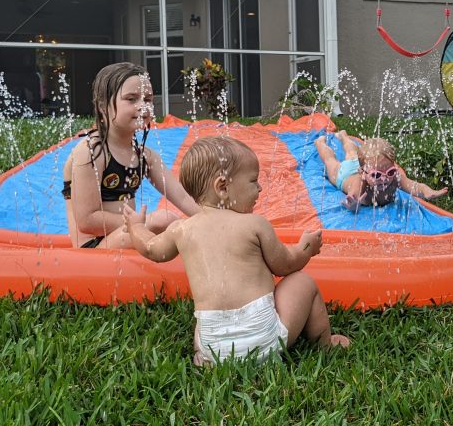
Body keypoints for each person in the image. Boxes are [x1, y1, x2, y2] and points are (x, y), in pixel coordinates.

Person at [122, 136, 351, 365]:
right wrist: (306, 247)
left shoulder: (181, 229)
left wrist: (136, 227)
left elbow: (151, 249)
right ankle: (325, 343)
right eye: (253, 181)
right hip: (263, 340)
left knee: (204, 319)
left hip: (211, 343)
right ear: (223, 187)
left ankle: (208, 358)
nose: (260, 188)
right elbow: (287, 265)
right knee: (303, 282)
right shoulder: (254, 224)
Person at [64, 62, 200, 249]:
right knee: (162, 220)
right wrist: (142, 223)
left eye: (148, 99)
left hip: (127, 234)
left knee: (168, 222)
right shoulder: (92, 151)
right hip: (93, 247)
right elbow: (87, 220)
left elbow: (183, 198)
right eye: (131, 99)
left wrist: (212, 221)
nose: (142, 106)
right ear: (103, 106)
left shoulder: (144, 156)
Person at [314, 130, 448, 211]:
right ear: (363, 173)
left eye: (390, 172)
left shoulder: (395, 179)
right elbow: (352, 202)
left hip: (366, 166)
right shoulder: (359, 186)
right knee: (330, 161)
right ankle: (320, 143)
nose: (384, 178)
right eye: (377, 175)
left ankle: (344, 137)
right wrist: (353, 204)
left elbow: (414, 186)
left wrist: (427, 192)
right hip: (346, 173)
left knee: (352, 153)